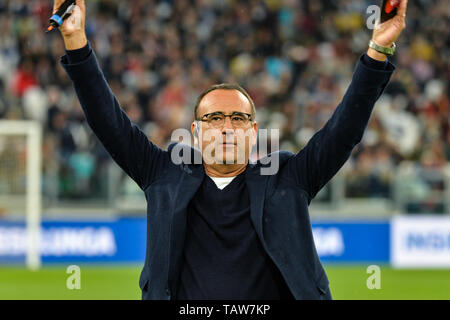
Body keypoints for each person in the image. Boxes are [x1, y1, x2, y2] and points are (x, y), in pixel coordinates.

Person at [54, 0, 408, 300]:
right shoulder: (163, 175)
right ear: (195, 132)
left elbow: (343, 131)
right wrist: (75, 39)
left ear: (253, 132)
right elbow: (108, 122)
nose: (226, 126)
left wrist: (378, 51)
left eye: (238, 118)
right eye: (215, 118)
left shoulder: (288, 178)